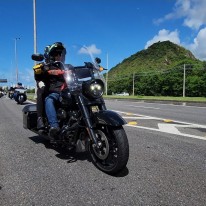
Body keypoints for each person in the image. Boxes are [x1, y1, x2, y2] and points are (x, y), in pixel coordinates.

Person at [43, 42, 67, 140]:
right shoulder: (47, 66)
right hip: (55, 92)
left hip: (68, 92)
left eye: (61, 53)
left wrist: (91, 69)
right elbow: (44, 71)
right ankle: (54, 126)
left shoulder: (67, 66)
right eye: (56, 54)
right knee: (49, 99)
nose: (59, 56)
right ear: (51, 56)